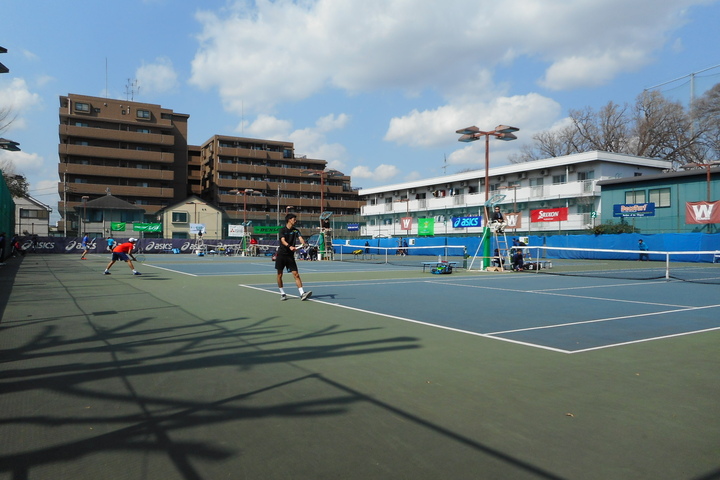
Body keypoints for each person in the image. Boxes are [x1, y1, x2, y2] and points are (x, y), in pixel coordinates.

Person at [275, 213, 312, 301]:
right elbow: (283, 240)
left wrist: (303, 243)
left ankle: (302, 293)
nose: (295, 221)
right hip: (281, 255)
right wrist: (290, 246)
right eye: (294, 219)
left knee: (296, 274)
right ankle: (282, 293)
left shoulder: (296, 230)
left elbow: (300, 238)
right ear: (289, 220)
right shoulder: (282, 230)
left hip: (290, 256)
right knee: (280, 275)